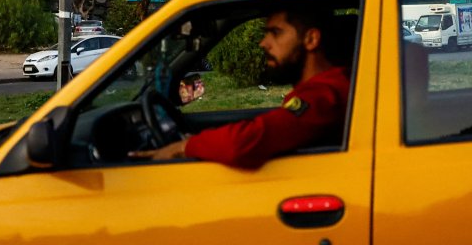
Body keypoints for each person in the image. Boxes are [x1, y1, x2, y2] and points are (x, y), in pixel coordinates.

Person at [131, 9, 352, 169]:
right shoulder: (326, 88)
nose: (263, 43)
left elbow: (248, 141)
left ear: (311, 39)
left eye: (275, 32)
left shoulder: (326, 95)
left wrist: (183, 147)